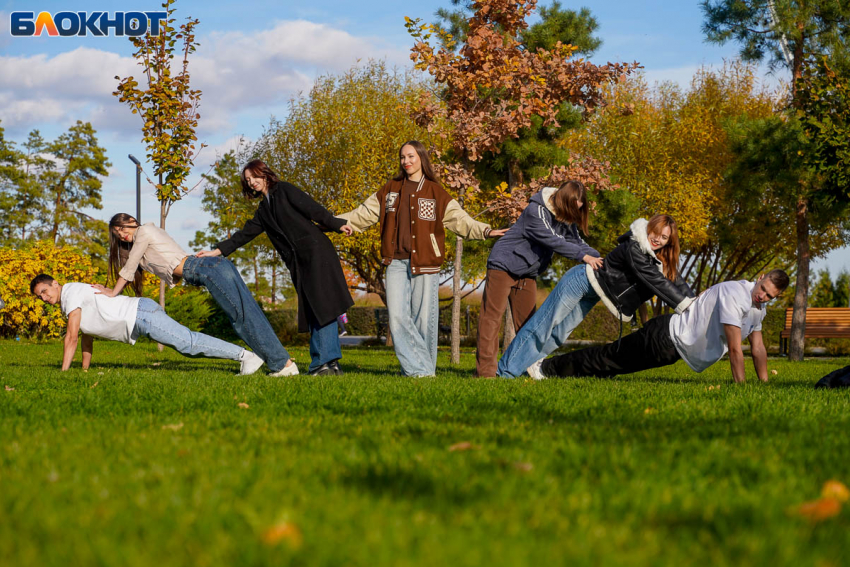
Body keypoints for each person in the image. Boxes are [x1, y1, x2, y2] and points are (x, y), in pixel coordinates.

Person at [339, 140, 508, 377]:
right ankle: (420, 370)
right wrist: (332, 221)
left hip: (426, 263)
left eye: (410, 156)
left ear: (421, 158)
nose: (406, 161)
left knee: (424, 321)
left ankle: (421, 372)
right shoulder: (390, 189)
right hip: (395, 262)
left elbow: (460, 220)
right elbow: (363, 214)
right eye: (402, 157)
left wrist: (485, 230)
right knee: (397, 317)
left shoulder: (434, 192)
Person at [197, 160, 354, 376]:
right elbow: (245, 234)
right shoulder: (264, 210)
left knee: (323, 307)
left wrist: (337, 224)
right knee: (315, 310)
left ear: (264, 173)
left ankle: (325, 362)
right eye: (248, 180)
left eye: (254, 177)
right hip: (299, 263)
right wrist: (217, 251)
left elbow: (313, 208)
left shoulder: (285, 190)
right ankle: (326, 363)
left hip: (317, 254)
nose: (252, 182)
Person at [97, 213, 298, 377]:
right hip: (208, 268)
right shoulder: (143, 236)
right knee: (245, 313)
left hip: (206, 269)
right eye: (116, 233)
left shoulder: (144, 231)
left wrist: (113, 292)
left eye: (123, 228)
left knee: (242, 316)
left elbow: (130, 266)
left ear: (132, 222)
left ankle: (283, 365)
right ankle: (279, 363)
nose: (121, 234)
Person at [498, 215, 695, 378]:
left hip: (595, 293)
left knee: (559, 334)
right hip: (582, 280)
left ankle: (527, 369)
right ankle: (504, 372)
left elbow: (676, 281)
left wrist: (695, 305)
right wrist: (684, 304)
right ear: (649, 228)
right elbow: (654, 280)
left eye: (664, 237)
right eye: (656, 233)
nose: (658, 239)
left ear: (669, 242)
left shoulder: (658, 260)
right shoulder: (635, 246)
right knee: (543, 326)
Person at [529, 270, 789, 383]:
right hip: (665, 337)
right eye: (763, 289)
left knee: (614, 364)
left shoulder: (758, 309)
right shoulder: (736, 294)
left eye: (769, 296)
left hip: (672, 349)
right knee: (609, 358)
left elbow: (758, 348)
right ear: (760, 278)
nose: (762, 296)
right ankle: (544, 368)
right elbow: (735, 349)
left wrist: (763, 384)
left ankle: (571, 373)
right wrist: (743, 389)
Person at [475, 180, 601, 377]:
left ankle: (523, 368)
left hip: (527, 273)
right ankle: (485, 373)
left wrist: (601, 260)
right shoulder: (536, 211)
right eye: (573, 208)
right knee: (491, 319)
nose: (575, 214)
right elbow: (553, 240)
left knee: (530, 325)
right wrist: (584, 257)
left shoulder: (565, 219)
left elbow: (577, 242)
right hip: (503, 265)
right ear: (564, 200)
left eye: (579, 209)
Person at [30, 274, 266, 374]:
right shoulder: (70, 300)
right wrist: (83, 370)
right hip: (141, 315)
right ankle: (246, 356)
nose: (43, 297)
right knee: (187, 345)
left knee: (188, 343)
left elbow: (71, 337)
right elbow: (86, 336)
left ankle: (246, 356)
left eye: (44, 291)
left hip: (140, 315)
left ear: (55, 283)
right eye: (39, 296)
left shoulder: (70, 292)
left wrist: (63, 373)